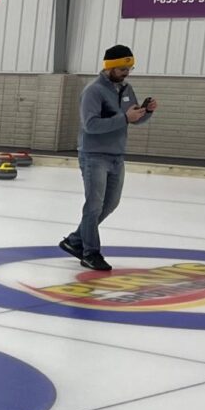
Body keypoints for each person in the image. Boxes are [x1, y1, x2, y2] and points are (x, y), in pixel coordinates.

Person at [61, 43, 157, 272]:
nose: (127, 73)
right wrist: (124, 118)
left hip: (116, 155)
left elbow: (133, 119)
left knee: (110, 204)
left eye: (130, 68)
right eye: (123, 68)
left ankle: (74, 241)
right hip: (94, 156)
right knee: (94, 205)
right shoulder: (93, 91)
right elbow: (90, 125)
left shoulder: (126, 89)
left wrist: (147, 112)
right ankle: (90, 253)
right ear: (110, 67)